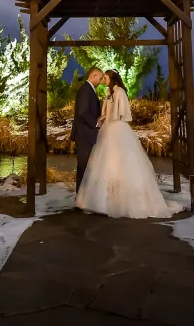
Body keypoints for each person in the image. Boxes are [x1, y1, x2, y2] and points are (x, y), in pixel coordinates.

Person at [76, 69, 179, 219]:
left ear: (112, 78)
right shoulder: (108, 94)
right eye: (102, 78)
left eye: (105, 78)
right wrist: (102, 119)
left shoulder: (120, 93)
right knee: (105, 164)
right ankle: (103, 200)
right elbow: (103, 113)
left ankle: (123, 200)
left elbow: (123, 113)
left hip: (117, 129)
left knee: (120, 162)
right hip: (106, 130)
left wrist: (110, 119)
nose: (103, 81)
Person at [71, 67, 105, 190]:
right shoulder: (85, 90)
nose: (101, 81)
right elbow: (83, 112)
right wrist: (96, 123)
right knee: (83, 166)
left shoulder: (88, 89)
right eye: (100, 78)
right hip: (84, 134)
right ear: (94, 75)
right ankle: (80, 195)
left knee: (86, 166)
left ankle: (84, 195)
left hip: (86, 133)